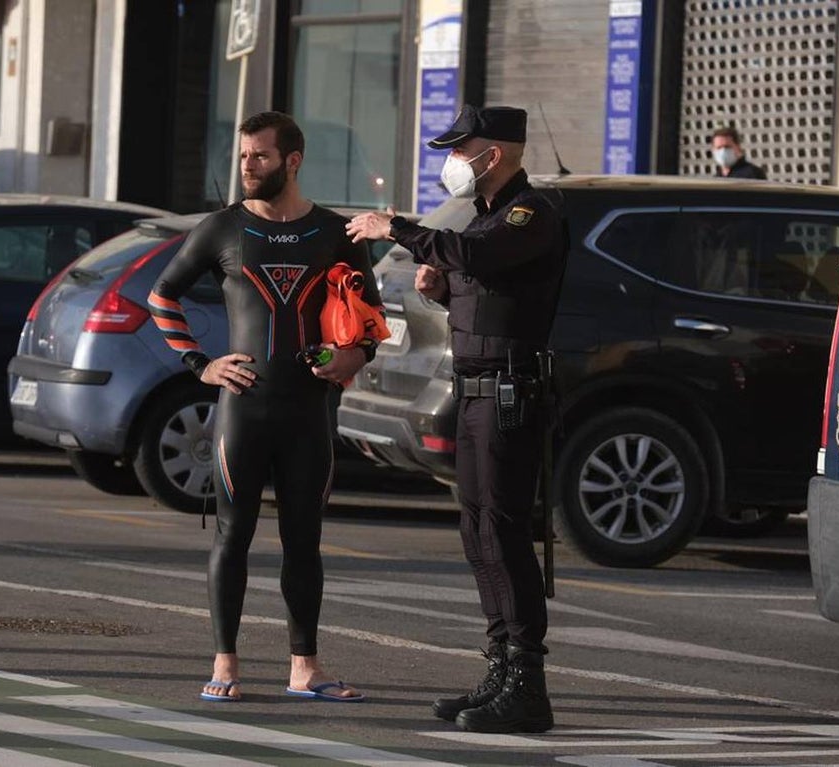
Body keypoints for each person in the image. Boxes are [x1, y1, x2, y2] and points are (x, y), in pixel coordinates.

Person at [346, 104, 566, 733]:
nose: (453, 162)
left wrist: (398, 228)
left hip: (509, 394)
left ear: (491, 155)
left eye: (460, 149)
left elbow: (483, 257)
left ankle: (528, 686)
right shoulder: (486, 219)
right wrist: (441, 287)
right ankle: (499, 668)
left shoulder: (531, 212)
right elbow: (477, 271)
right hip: (472, 391)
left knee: (501, 532)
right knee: (476, 533)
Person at [148, 111, 380, 704]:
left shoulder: (334, 232)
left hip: (309, 410)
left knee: (304, 540)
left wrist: (354, 359)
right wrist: (201, 364)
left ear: (291, 161)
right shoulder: (222, 227)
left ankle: (306, 668)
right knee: (234, 535)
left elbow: (372, 323)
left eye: (260, 157)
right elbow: (161, 296)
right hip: (242, 409)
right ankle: (225, 663)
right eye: (244, 156)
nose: (247, 166)